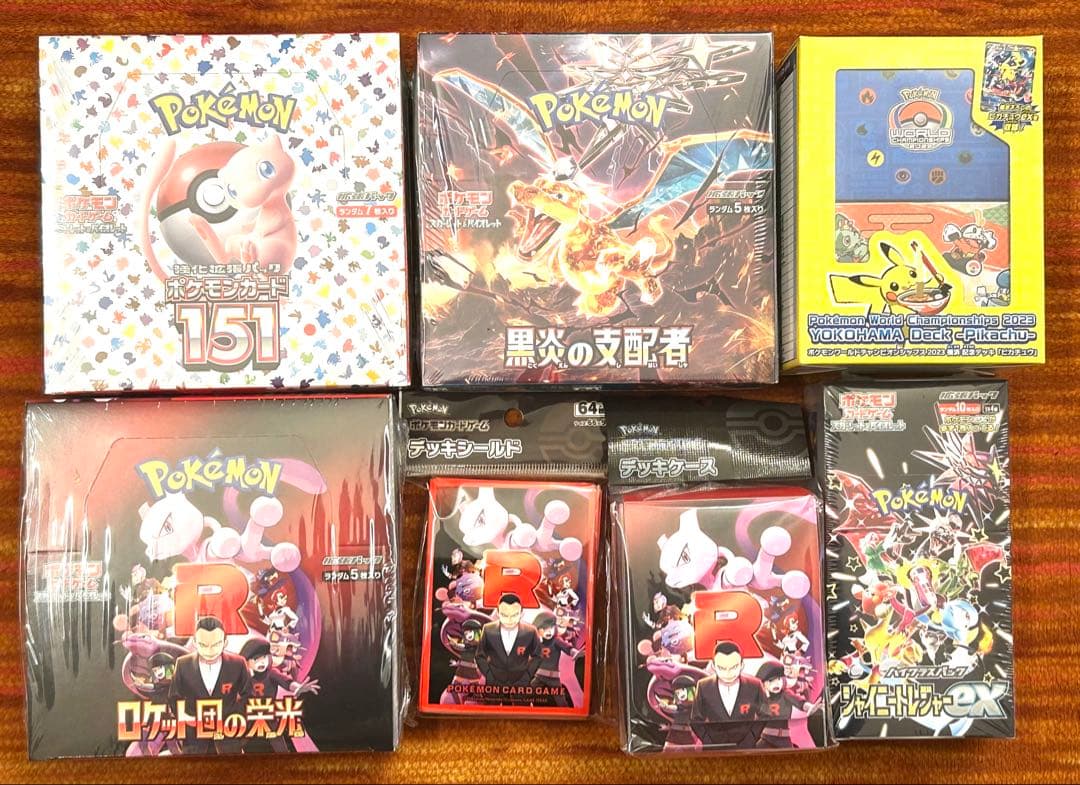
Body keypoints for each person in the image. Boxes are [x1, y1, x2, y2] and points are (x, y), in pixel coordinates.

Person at [168, 616, 253, 755]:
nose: (209, 650)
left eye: (215, 644)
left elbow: (249, 696)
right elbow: (173, 696)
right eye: (203, 645)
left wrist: (236, 719)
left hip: (229, 737)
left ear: (225, 642)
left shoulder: (238, 663)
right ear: (195, 642)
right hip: (194, 739)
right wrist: (184, 716)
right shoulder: (183, 664)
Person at [689, 641, 763, 748]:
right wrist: (708, 741)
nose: (728, 673)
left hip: (746, 749)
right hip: (713, 750)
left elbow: (765, 714)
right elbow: (695, 720)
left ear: (742, 665)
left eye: (733, 667)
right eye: (722, 668)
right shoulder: (703, 686)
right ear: (713, 666)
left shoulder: (755, 685)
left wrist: (751, 739)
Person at [476, 593, 541, 688]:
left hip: (521, 684)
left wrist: (527, 676)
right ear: (498, 613)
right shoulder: (487, 629)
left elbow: (537, 656)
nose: (509, 619)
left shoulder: (531, 631)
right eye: (504, 615)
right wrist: (489, 674)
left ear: (521, 613)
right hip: (494, 684)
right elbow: (479, 655)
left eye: (514, 615)